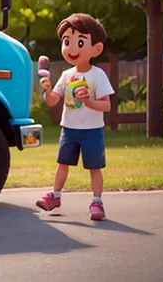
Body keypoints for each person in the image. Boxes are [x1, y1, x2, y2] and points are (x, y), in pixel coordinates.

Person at [37, 13, 114, 221]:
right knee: (63, 164)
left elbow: (106, 105)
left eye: (80, 42)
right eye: (67, 41)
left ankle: (97, 202)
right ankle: (55, 196)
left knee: (94, 168)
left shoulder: (97, 75)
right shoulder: (66, 75)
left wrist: (89, 102)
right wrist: (47, 90)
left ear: (96, 49)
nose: (72, 48)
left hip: (92, 130)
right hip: (69, 129)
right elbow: (53, 100)